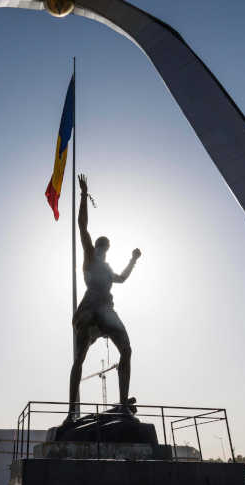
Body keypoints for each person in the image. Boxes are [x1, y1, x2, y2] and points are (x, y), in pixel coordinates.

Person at [67, 174, 141, 421]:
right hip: (90, 309)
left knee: (127, 350)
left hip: (107, 310)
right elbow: (82, 225)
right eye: (102, 247)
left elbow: (121, 279)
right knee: (79, 359)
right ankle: (71, 413)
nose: (103, 251)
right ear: (97, 247)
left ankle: (122, 404)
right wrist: (84, 195)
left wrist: (133, 260)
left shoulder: (108, 268)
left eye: (106, 249)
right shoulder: (89, 254)